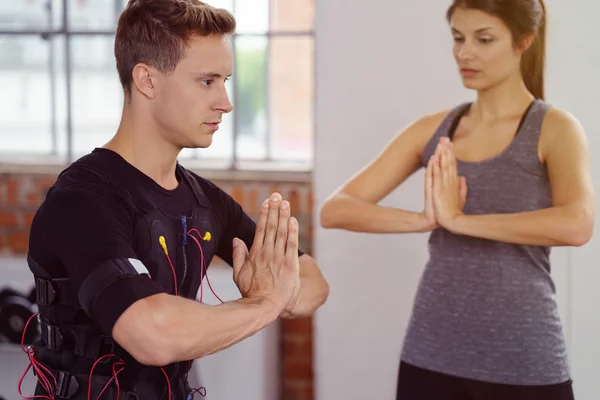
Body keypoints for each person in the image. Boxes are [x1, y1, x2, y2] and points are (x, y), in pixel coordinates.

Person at [21, 0, 329, 399]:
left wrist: (276, 291)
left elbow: (313, 283)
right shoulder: (83, 199)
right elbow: (151, 334)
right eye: (207, 81)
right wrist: (267, 302)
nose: (225, 102)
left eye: (226, 81)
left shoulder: (204, 200)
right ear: (147, 80)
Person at [320, 0, 594, 399]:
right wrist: (425, 219)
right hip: (430, 352)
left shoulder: (554, 128)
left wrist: (462, 221)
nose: (465, 53)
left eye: (484, 39)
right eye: (458, 38)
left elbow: (577, 224)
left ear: (524, 41)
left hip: (524, 357)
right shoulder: (436, 130)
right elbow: (336, 208)